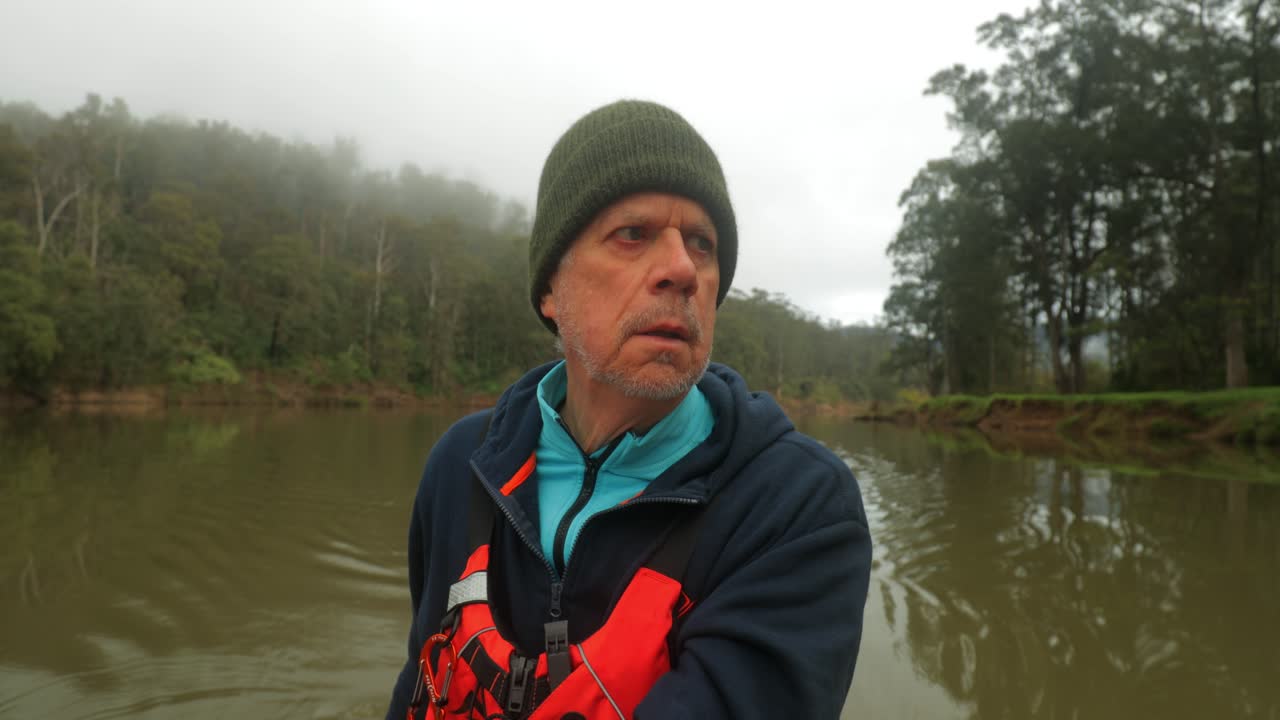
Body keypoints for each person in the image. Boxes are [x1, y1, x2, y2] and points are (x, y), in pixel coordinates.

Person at [385, 100, 872, 720]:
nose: (682, 270)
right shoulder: (462, 464)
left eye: (702, 243)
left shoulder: (796, 507)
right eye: (632, 235)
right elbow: (420, 681)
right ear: (550, 291)